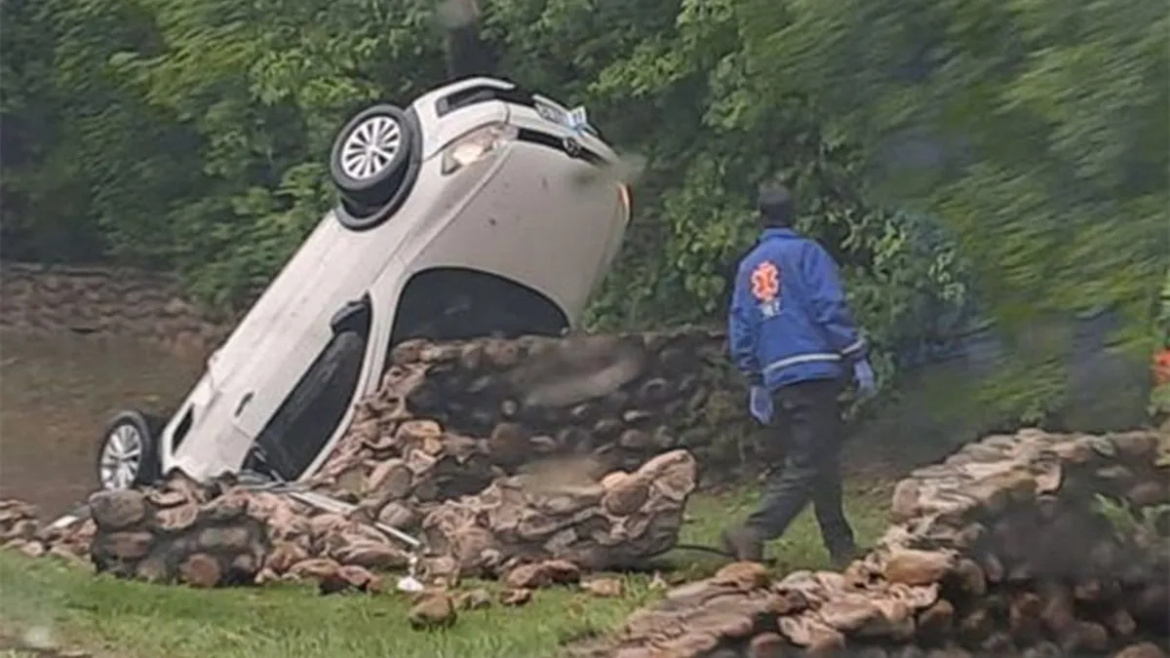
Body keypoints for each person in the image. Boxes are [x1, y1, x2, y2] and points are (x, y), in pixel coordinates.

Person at [721, 179, 877, 567]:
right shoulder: (807, 253)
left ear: (760, 218)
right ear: (794, 215)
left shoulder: (748, 267)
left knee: (820, 458)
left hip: (779, 377)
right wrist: (855, 354)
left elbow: (742, 327)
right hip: (815, 369)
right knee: (810, 462)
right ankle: (755, 529)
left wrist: (755, 379)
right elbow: (829, 306)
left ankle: (840, 546)